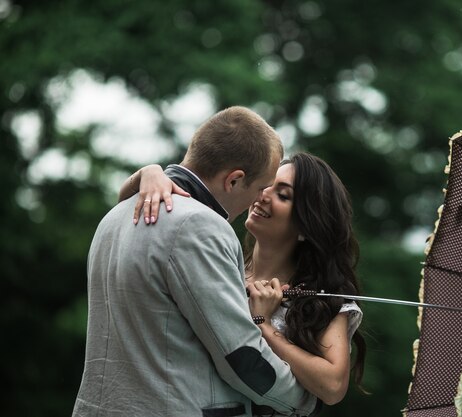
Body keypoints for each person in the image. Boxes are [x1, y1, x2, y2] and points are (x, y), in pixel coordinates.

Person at [73, 107, 320, 417]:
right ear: (234, 180)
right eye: (259, 188)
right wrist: (304, 400)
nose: (257, 200)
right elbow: (240, 356)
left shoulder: (116, 214)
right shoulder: (201, 226)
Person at [123, 152, 367, 410]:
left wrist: (264, 327)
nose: (263, 195)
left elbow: (332, 388)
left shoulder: (321, 300)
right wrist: (149, 172)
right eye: (266, 186)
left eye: (283, 195)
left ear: (307, 226)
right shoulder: (219, 267)